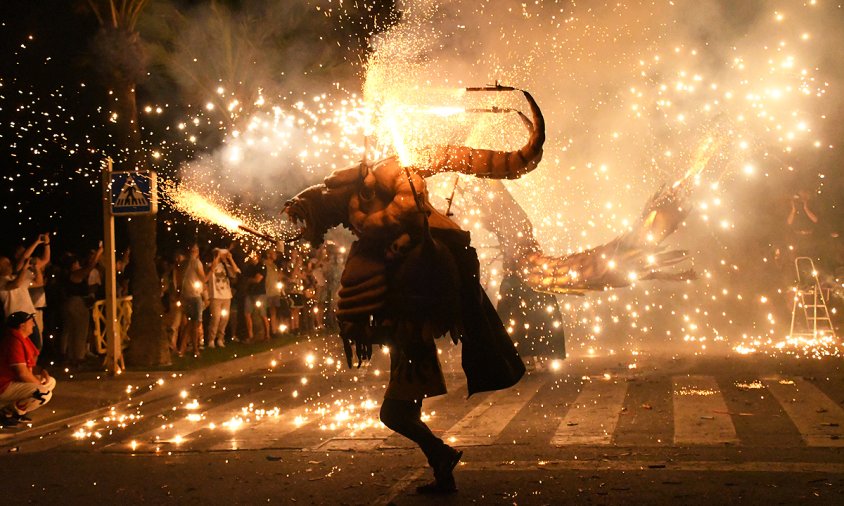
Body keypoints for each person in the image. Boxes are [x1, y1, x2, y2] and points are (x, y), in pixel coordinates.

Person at [0, 312, 55, 427]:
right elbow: (22, 373)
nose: (33, 325)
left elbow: (28, 366)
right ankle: (8, 413)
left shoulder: (21, 338)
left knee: (50, 382)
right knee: (44, 394)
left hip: (11, 381)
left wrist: (41, 372)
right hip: (4, 385)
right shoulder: (14, 341)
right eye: (30, 322)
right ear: (22, 326)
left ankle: (15, 410)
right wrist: (38, 384)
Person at [60, 245, 103, 366]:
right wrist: (99, 252)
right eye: (77, 263)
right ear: (73, 265)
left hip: (69, 303)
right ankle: (78, 357)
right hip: (77, 303)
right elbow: (90, 267)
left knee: (72, 330)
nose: (79, 264)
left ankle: (71, 356)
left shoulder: (67, 276)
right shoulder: (75, 275)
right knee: (80, 330)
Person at [206, 248, 240, 348]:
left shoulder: (225, 266)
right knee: (216, 318)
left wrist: (230, 259)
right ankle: (211, 339)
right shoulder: (210, 265)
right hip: (215, 296)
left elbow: (235, 272)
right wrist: (217, 257)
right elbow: (211, 269)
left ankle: (220, 338)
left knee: (224, 318)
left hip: (226, 296)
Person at [178, 244, 206, 357]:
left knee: (190, 324)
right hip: (194, 297)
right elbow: (203, 278)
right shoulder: (196, 263)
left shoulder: (184, 263)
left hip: (186, 296)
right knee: (195, 324)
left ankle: (183, 349)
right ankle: (194, 350)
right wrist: (212, 269)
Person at [242, 252, 270, 342]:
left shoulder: (261, 266)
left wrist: (249, 280)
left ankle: (267, 335)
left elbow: (257, 279)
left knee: (263, 314)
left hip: (260, 293)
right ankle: (250, 335)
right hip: (250, 293)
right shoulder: (249, 267)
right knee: (247, 314)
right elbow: (245, 278)